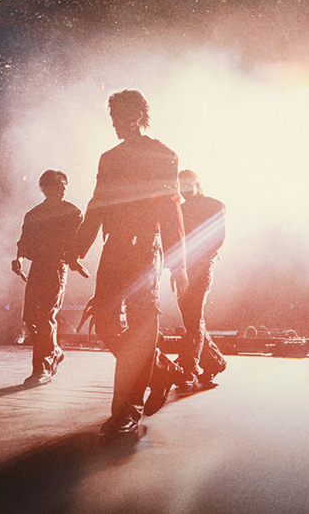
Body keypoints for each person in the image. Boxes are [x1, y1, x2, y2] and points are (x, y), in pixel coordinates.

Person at [69, 90, 187, 436]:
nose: (114, 125)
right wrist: (78, 249)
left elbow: (170, 208)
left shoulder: (163, 155)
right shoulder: (108, 158)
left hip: (145, 250)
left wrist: (178, 262)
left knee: (141, 327)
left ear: (136, 116)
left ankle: (127, 411)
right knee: (105, 322)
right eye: (112, 119)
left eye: (118, 118)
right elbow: (97, 203)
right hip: (114, 248)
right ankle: (161, 370)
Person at [13, 169, 83, 387]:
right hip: (38, 268)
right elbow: (24, 243)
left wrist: (73, 260)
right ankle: (53, 352)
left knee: (45, 316)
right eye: (57, 187)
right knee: (30, 317)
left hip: (56, 268)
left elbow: (75, 244)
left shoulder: (73, 212)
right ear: (45, 189)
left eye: (64, 187)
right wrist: (19, 260)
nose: (62, 191)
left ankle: (42, 368)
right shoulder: (33, 214)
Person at [174, 169, 227, 387]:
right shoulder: (180, 209)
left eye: (188, 185)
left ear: (197, 183)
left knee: (193, 318)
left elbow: (218, 238)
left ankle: (190, 368)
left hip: (201, 268)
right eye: (181, 187)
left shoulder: (214, 205)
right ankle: (214, 362)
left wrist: (196, 262)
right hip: (185, 270)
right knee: (192, 319)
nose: (185, 191)